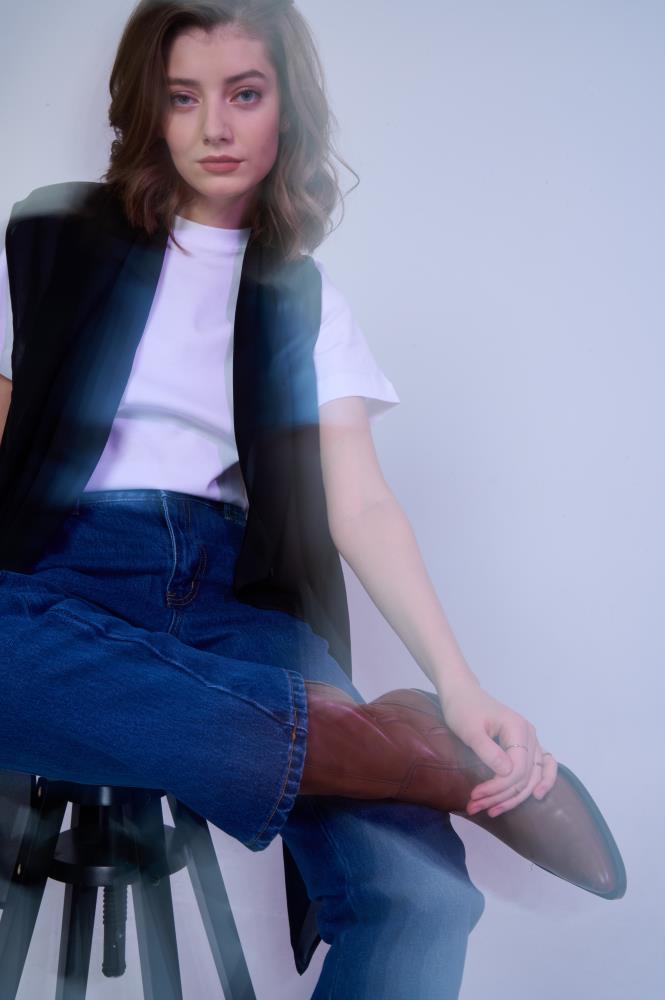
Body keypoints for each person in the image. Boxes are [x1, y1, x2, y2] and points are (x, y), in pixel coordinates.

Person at [0, 1, 625, 997]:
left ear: (285, 111)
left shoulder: (303, 297)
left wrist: (458, 686)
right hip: (70, 568)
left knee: (419, 896)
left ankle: (393, 732)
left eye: (244, 94)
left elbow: (362, 505)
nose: (214, 125)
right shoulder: (44, 241)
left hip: (234, 595)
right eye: (183, 97)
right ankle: (397, 751)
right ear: (149, 112)